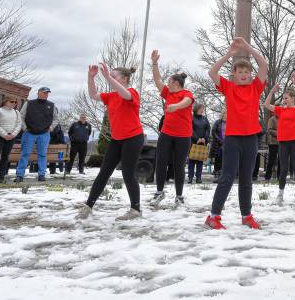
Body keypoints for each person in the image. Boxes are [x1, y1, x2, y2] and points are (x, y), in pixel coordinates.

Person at [206, 38, 268, 230]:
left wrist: (247, 48)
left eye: (246, 72)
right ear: (233, 75)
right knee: (227, 176)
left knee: (247, 178)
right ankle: (214, 216)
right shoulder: (229, 87)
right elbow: (212, 72)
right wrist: (230, 54)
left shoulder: (256, 88)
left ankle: (246, 215)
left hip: (250, 139)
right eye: (239, 72)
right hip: (232, 138)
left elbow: (264, 65)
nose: (243, 74)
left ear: (250, 75)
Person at [77, 64, 144, 220]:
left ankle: (135, 210)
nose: (111, 79)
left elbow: (125, 94)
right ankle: (88, 206)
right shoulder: (111, 96)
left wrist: (107, 77)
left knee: (128, 173)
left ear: (125, 79)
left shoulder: (132, 92)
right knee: (104, 172)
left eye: (114, 76)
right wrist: (91, 77)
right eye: (111, 76)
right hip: (117, 139)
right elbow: (93, 95)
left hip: (133, 138)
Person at [149, 50, 194, 208]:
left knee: (178, 165)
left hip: (183, 136)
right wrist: (154, 63)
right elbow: (157, 80)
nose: (167, 84)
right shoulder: (168, 93)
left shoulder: (186, 93)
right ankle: (159, 192)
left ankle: (179, 196)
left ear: (176, 83)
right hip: (166, 134)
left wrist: (175, 106)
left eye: (170, 82)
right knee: (161, 163)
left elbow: (187, 102)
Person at [264, 73, 295, 205]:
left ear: (293, 99)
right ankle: (280, 194)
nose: (284, 100)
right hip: (283, 143)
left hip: (294, 143)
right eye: (283, 98)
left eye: (286, 98)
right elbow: (266, 104)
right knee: (283, 169)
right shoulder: (280, 110)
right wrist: (272, 91)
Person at [14, 86, 58, 182]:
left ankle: (41, 174)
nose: (46, 94)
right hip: (29, 132)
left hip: (44, 133)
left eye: (47, 93)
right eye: (44, 92)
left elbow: (55, 119)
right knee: (25, 154)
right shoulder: (29, 103)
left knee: (42, 154)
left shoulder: (52, 105)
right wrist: (24, 128)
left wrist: (51, 128)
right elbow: (21, 116)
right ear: (38, 93)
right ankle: (19, 175)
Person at [0, 96, 22, 184]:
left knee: (5, 157)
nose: (14, 103)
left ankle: (1, 177)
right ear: (5, 101)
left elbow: (19, 124)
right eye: (12, 101)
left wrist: (13, 134)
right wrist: (4, 134)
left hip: (11, 137)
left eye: (15, 102)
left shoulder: (16, 112)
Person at [189, 103, 210, 184]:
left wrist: (204, 138)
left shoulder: (205, 119)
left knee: (200, 161)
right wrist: (197, 138)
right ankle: (190, 177)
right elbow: (190, 129)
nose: (202, 110)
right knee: (192, 160)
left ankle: (198, 177)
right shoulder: (191, 118)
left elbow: (208, 129)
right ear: (196, 109)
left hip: (203, 142)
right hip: (193, 142)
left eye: (203, 108)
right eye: (201, 108)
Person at [210, 111, 225, 181]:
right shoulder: (218, 122)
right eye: (225, 114)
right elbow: (213, 131)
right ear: (223, 115)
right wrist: (219, 140)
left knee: (225, 160)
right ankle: (217, 174)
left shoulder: (231, 122)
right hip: (218, 144)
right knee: (218, 160)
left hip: (227, 144)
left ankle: (223, 175)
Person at [264, 114, 279, 181]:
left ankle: (280, 177)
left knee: (281, 160)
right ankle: (267, 177)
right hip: (273, 143)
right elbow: (269, 130)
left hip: (281, 142)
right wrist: (279, 133)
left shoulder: (282, 119)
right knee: (271, 160)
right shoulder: (272, 119)